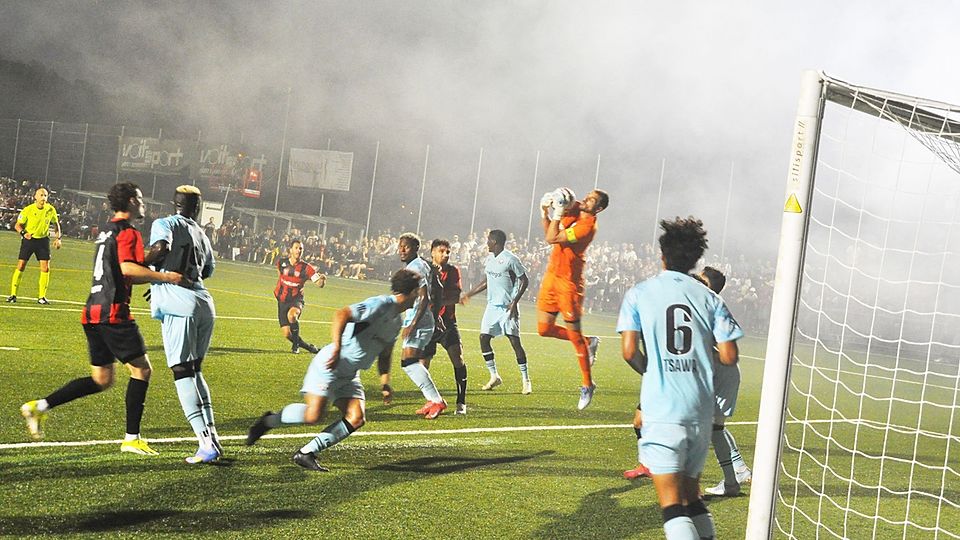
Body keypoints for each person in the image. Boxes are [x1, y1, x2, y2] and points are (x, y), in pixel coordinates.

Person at [19, 182, 182, 455]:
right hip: (113, 312)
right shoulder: (128, 231)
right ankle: (131, 439)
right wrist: (165, 277)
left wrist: (149, 259)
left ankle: (40, 406)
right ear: (131, 202)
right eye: (140, 199)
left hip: (92, 311)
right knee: (142, 370)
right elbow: (127, 269)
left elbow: (121, 268)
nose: (143, 204)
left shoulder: (107, 231)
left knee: (102, 379)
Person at [617, 217, 743, 539]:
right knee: (692, 498)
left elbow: (629, 352)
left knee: (672, 505)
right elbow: (729, 356)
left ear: (662, 255)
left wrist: (655, 369)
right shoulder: (711, 298)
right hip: (699, 408)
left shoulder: (639, 293)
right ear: (695, 259)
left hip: (663, 406)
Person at [245, 269, 420, 471]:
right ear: (412, 292)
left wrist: (385, 383)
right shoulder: (381, 304)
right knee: (313, 416)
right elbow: (342, 314)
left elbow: (385, 353)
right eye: (418, 291)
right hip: (330, 365)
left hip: (350, 374)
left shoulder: (397, 321)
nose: (420, 295)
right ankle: (268, 421)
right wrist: (337, 347)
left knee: (356, 418)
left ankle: (306, 453)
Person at [623, 266, 753, 491]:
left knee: (699, 427)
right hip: (694, 372)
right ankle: (732, 477)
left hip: (711, 374)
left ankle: (705, 483)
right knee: (711, 427)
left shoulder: (706, 304)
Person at [145, 185, 221, 464]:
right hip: (204, 302)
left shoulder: (164, 223)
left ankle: (205, 442)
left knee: (182, 371)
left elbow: (160, 248)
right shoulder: (202, 234)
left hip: (180, 303)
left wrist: (138, 264)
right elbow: (208, 269)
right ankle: (212, 438)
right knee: (195, 371)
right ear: (197, 208)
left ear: (174, 203)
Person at [536, 188, 609, 409]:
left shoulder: (588, 227)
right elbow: (549, 234)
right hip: (552, 277)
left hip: (569, 283)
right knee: (544, 329)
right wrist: (544, 212)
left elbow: (552, 238)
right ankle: (590, 341)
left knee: (575, 337)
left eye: (592, 200)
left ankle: (587, 384)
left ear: (599, 209)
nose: (586, 200)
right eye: (588, 196)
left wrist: (557, 214)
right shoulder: (575, 206)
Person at [698, 266, 753, 496]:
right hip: (723, 372)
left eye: (700, 278)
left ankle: (724, 482)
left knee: (704, 427)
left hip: (719, 372)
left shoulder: (709, 303)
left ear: (708, 284)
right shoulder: (709, 303)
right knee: (716, 428)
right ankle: (735, 474)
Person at [461, 229, 532, 395]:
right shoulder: (490, 259)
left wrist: (514, 302)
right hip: (492, 307)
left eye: (488, 240)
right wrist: (469, 294)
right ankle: (494, 376)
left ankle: (526, 380)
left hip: (508, 307)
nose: (487, 243)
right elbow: (487, 281)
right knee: (484, 338)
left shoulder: (511, 259)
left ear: (495, 242)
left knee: (514, 342)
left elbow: (524, 280)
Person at [386, 232, 446, 419]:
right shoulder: (419, 264)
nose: (402, 250)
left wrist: (413, 324)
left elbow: (424, 296)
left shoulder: (416, 267)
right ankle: (432, 399)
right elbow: (435, 289)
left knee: (409, 363)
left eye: (406, 246)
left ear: (416, 248)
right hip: (420, 319)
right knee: (410, 362)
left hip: (419, 321)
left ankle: (437, 400)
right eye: (400, 246)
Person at [423, 239, 469, 414]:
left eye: (448, 252)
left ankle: (461, 402)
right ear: (432, 252)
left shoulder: (453, 271)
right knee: (422, 365)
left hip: (447, 322)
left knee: (458, 358)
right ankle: (432, 400)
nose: (445, 254)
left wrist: (436, 303)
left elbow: (455, 297)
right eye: (441, 251)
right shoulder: (425, 270)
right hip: (427, 323)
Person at [8, 187, 62, 304]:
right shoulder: (28, 210)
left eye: (45, 195)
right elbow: (17, 225)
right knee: (21, 265)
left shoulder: (50, 209)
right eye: (41, 195)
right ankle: (13, 295)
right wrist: (24, 233)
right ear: (35, 197)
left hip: (43, 241)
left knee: (45, 268)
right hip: (29, 240)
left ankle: (42, 297)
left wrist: (58, 238)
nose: (43, 198)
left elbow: (56, 224)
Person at [274, 238, 326, 354]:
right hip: (282, 300)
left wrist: (322, 281)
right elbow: (280, 276)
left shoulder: (307, 268)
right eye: (296, 248)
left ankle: (295, 346)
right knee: (287, 334)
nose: (298, 250)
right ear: (290, 250)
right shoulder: (281, 263)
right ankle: (309, 348)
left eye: (301, 248)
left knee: (292, 316)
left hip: (296, 300)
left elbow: (318, 283)